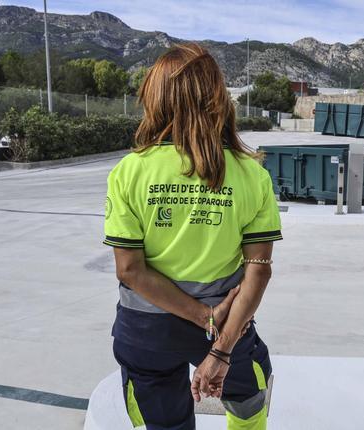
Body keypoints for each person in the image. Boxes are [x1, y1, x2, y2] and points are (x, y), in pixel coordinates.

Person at [103, 42, 282, 430]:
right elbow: (259, 271)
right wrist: (219, 345)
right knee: (249, 400)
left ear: (155, 98)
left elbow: (130, 271)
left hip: (146, 329)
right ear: (217, 98)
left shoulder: (129, 172)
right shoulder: (251, 174)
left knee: (163, 422)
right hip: (227, 325)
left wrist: (203, 317)